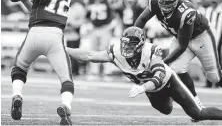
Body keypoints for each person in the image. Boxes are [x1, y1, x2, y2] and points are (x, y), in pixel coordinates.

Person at [67, 26, 222, 121]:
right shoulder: (116, 53)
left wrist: (143, 87)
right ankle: (171, 97)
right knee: (166, 110)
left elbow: (160, 74)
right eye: (125, 44)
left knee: (197, 113)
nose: (126, 48)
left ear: (141, 45)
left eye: (131, 45)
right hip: (151, 88)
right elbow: (89, 56)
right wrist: (64, 49)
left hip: (167, 81)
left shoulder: (150, 51)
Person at [134, 0, 222, 105]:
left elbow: (182, 46)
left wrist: (162, 62)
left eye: (168, 2)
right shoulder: (154, 0)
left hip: (201, 36)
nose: (164, 5)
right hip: (180, 36)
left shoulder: (186, 11)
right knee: (177, 69)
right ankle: (196, 104)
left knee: (214, 76)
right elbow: (142, 19)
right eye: (162, 1)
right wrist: (134, 38)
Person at [9, 0, 74, 125]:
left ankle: (17, 94)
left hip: (35, 33)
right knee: (66, 79)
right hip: (56, 37)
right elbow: (38, 7)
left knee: (20, 67)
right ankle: (66, 106)